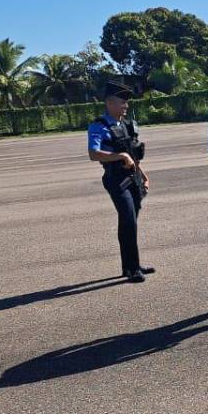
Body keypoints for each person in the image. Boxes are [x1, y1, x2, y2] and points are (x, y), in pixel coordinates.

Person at [87, 81, 153, 283]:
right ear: (109, 103)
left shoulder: (127, 125)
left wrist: (143, 176)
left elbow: (134, 155)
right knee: (128, 220)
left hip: (133, 179)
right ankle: (132, 268)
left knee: (130, 222)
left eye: (126, 103)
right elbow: (93, 154)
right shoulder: (99, 126)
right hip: (116, 180)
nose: (125, 107)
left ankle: (131, 265)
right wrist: (120, 156)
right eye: (121, 103)